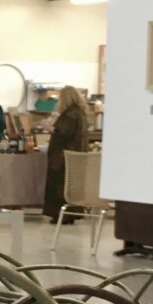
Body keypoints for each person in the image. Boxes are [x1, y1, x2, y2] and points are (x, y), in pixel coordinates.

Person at [43, 85, 90, 223]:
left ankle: (61, 215)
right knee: (72, 187)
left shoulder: (69, 114)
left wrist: (50, 128)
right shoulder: (81, 113)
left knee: (60, 186)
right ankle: (72, 214)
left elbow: (62, 134)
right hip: (76, 156)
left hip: (62, 157)